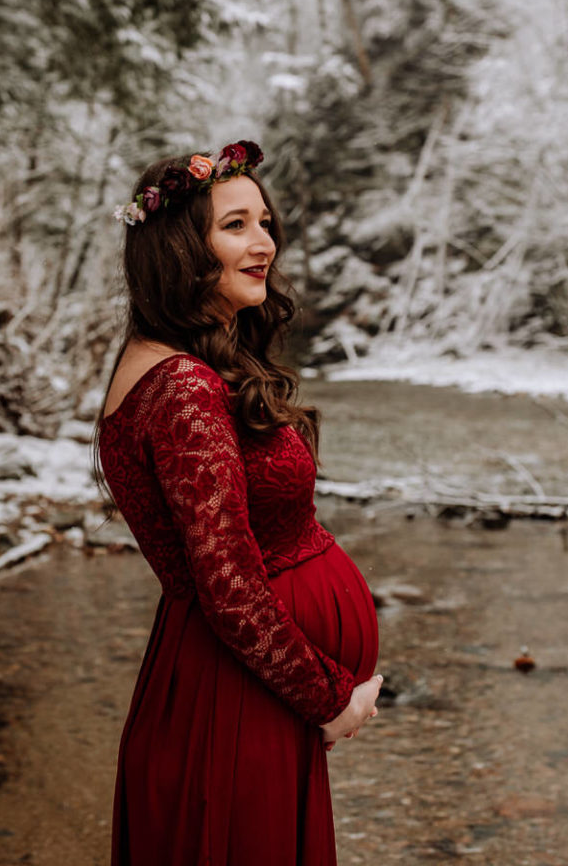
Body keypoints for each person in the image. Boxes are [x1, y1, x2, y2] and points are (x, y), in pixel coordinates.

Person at [94, 141, 383, 866]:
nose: (264, 243)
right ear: (179, 249)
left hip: (243, 691)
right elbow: (226, 586)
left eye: (265, 223)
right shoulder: (184, 388)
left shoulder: (178, 365)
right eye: (235, 225)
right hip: (231, 702)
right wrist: (330, 699)